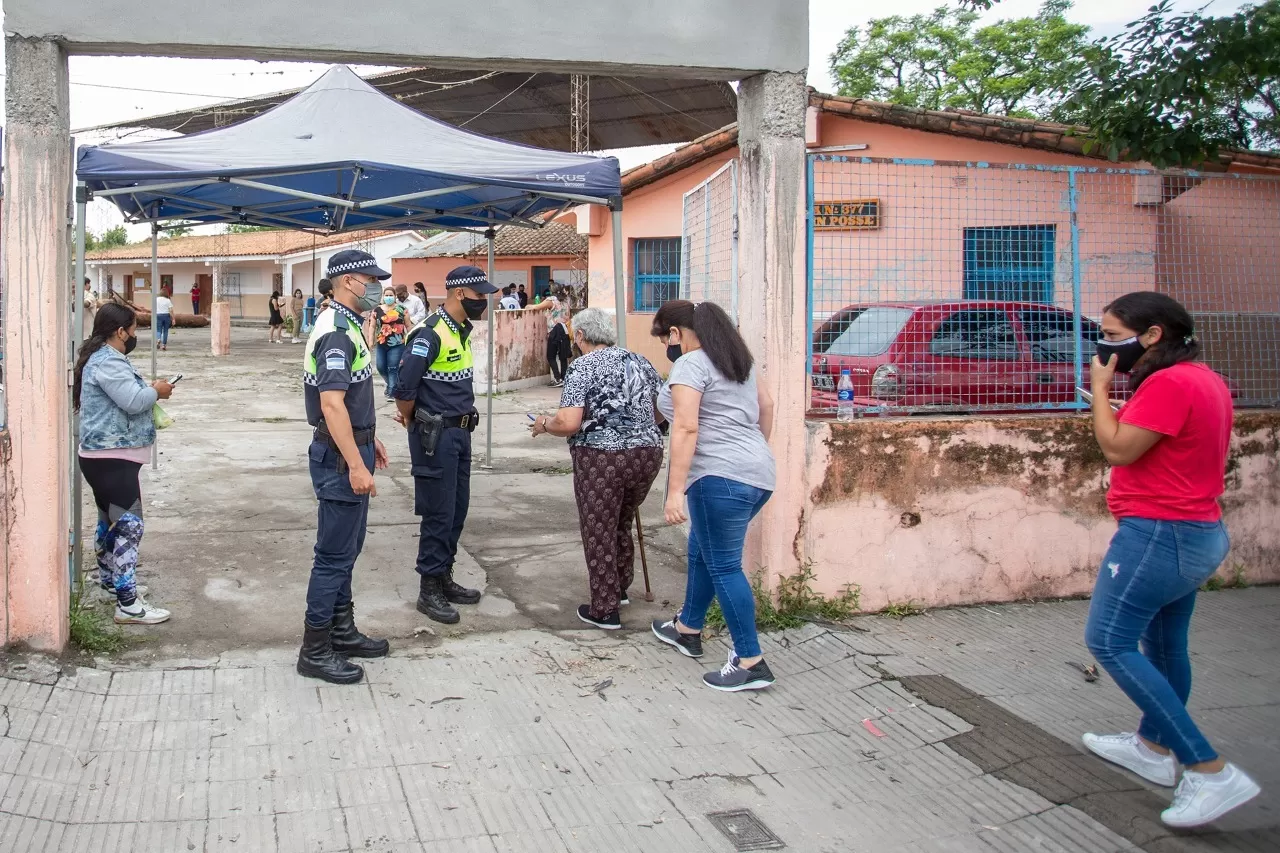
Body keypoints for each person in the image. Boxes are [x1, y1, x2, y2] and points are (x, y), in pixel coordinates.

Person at [1081, 291, 1260, 828]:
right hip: (1195, 531)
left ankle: (1208, 769)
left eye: (1114, 336)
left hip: (1160, 535)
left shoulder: (1169, 383)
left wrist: (1099, 390)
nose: (1106, 346)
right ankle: (1152, 748)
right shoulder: (1204, 378)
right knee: (1162, 646)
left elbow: (1117, 449)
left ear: (1152, 334)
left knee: (1107, 640)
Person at [649, 299, 777, 692]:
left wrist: (674, 494)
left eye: (664, 337)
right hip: (757, 473)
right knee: (703, 553)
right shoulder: (740, 362)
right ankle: (688, 627)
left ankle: (749, 660)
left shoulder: (691, 363)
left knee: (724, 565)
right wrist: (750, 457)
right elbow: (766, 407)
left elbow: (686, 428)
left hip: (717, 477)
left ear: (676, 333)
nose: (667, 346)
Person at [529, 308, 664, 629]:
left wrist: (543, 424)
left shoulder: (582, 367)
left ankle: (605, 608)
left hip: (602, 458)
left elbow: (569, 422)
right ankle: (619, 587)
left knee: (599, 528)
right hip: (647, 454)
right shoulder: (639, 361)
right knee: (622, 520)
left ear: (579, 336)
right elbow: (661, 410)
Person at [299, 250, 392, 684]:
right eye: (371, 279)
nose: (377, 286)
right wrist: (357, 463)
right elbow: (331, 404)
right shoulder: (336, 331)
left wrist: (371, 439)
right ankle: (315, 650)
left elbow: (351, 400)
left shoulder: (348, 325)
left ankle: (342, 630)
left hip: (350, 450)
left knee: (346, 551)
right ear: (350, 281)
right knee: (333, 557)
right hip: (339, 462)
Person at [393, 265, 495, 625]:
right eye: (479, 295)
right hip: (434, 436)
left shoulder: (460, 330)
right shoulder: (429, 333)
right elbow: (404, 391)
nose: (484, 301)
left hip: (460, 433)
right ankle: (428, 589)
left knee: (457, 509)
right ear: (459, 294)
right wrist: (412, 421)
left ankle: (444, 576)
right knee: (438, 512)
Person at [74, 303, 176, 626]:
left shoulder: (104, 359)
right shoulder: (108, 362)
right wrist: (156, 392)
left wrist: (149, 389)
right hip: (110, 458)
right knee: (131, 525)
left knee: (110, 522)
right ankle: (128, 603)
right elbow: (133, 402)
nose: (135, 335)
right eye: (133, 329)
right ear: (120, 332)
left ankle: (110, 582)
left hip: (104, 457)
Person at [531, 285, 572, 387]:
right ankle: (564, 378)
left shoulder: (551, 300)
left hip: (555, 330)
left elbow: (536, 307)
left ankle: (557, 379)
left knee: (551, 355)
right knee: (563, 356)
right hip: (565, 329)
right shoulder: (566, 300)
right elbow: (568, 315)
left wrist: (528, 306)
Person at [374, 286, 408, 401]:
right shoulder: (377, 310)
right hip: (381, 342)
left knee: (393, 368)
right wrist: (369, 341)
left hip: (397, 343)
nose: (388, 297)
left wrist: (409, 340)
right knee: (380, 367)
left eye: (391, 295)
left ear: (395, 296)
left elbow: (408, 326)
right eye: (386, 295)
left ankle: (392, 392)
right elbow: (372, 326)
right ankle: (390, 385)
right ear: (383, 296)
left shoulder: (402, 309)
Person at [81, 278, 99, 343]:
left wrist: (77, 302)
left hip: (86, 335)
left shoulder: (89, 295)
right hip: (72, 334)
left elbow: (87, 303)